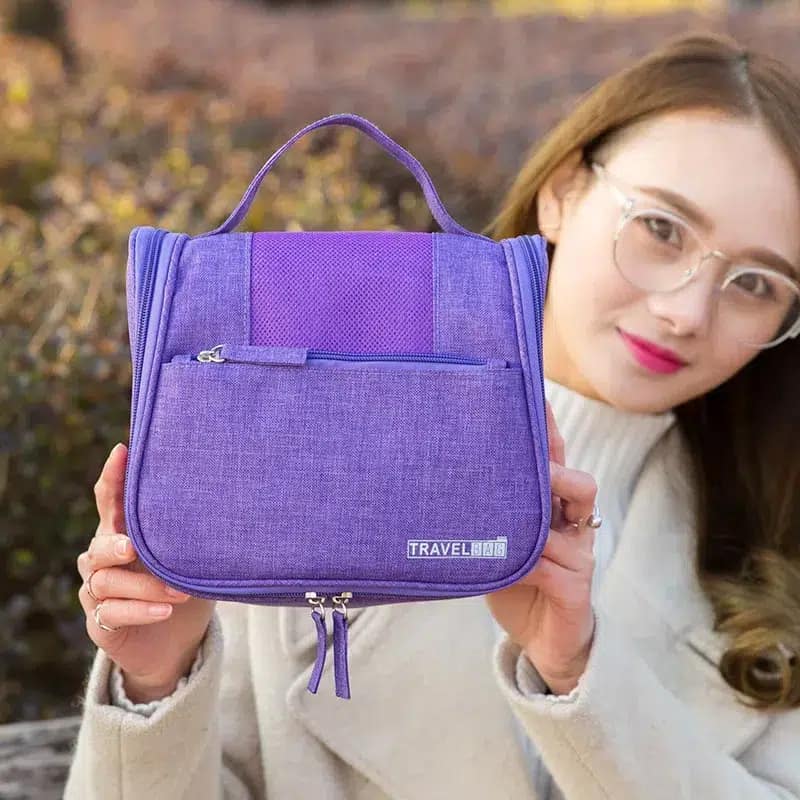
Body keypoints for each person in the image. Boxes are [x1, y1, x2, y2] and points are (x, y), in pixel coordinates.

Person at [64, 30, 800, 799]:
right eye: (660, 228)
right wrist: (154, 685)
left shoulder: (773, 541)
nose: (687, 311)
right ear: (561, 193)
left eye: (756, 283)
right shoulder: (291, 439)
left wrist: (579, 672)